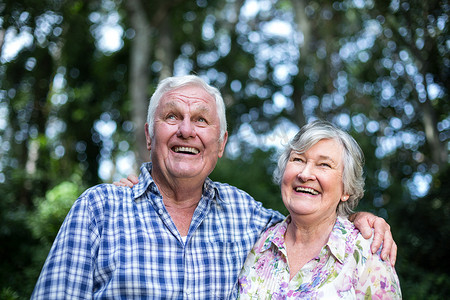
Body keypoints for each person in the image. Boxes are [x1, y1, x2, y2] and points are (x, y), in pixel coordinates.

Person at [32, 75, 396, 299]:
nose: (186, 130)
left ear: (220, 143)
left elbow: (311, 221)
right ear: (148, 135)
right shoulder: (99, 209)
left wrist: (360, 217)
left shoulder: (249, 218)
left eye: (201, 120)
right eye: (172, 116)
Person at [236, 120, 401, 299]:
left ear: (346, 189)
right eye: (298, 160)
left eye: (324, 165)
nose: (305, 174)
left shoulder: (367, 253)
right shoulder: (257, 243)